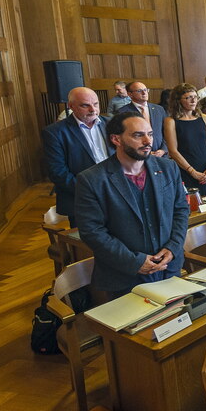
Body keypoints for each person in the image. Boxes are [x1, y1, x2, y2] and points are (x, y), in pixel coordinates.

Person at [74, 113, 188, 296]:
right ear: (116, 139)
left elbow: (181, 209)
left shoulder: (168, 167)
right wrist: (134, 262)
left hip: (169, 267)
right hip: (124, 276)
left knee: (175, 321)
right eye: (138, 135)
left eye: (150, 134)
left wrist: (173, 247)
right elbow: (92, 231)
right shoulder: (92, 179)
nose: (147, 141)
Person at [42, 87, 112, 228]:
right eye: (85, 105)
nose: (93, 110)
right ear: (71, 106)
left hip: (115, 194)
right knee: (85, 247)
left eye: (96, 104)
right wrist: (90, 192)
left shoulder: (111, 123)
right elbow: (58, 172)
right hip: (81, 198)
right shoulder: (55, 132)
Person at [164, 83, 206, 196]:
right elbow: (173, 151)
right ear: (178, 100)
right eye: (188, 97)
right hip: (186, 171)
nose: (193, 100)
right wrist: (192, 172)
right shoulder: (170, 121)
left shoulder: (203, 117)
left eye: (195, 97)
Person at [118, 81, 168, 157]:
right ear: (130, 94)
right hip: (138, 156)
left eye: (145, 90)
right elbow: (124, 137)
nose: (144, 93)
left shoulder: (159, 109)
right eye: (139, 91)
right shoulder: (123, 112)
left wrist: (163, 150)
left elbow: (166, 132)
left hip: (161, 155)